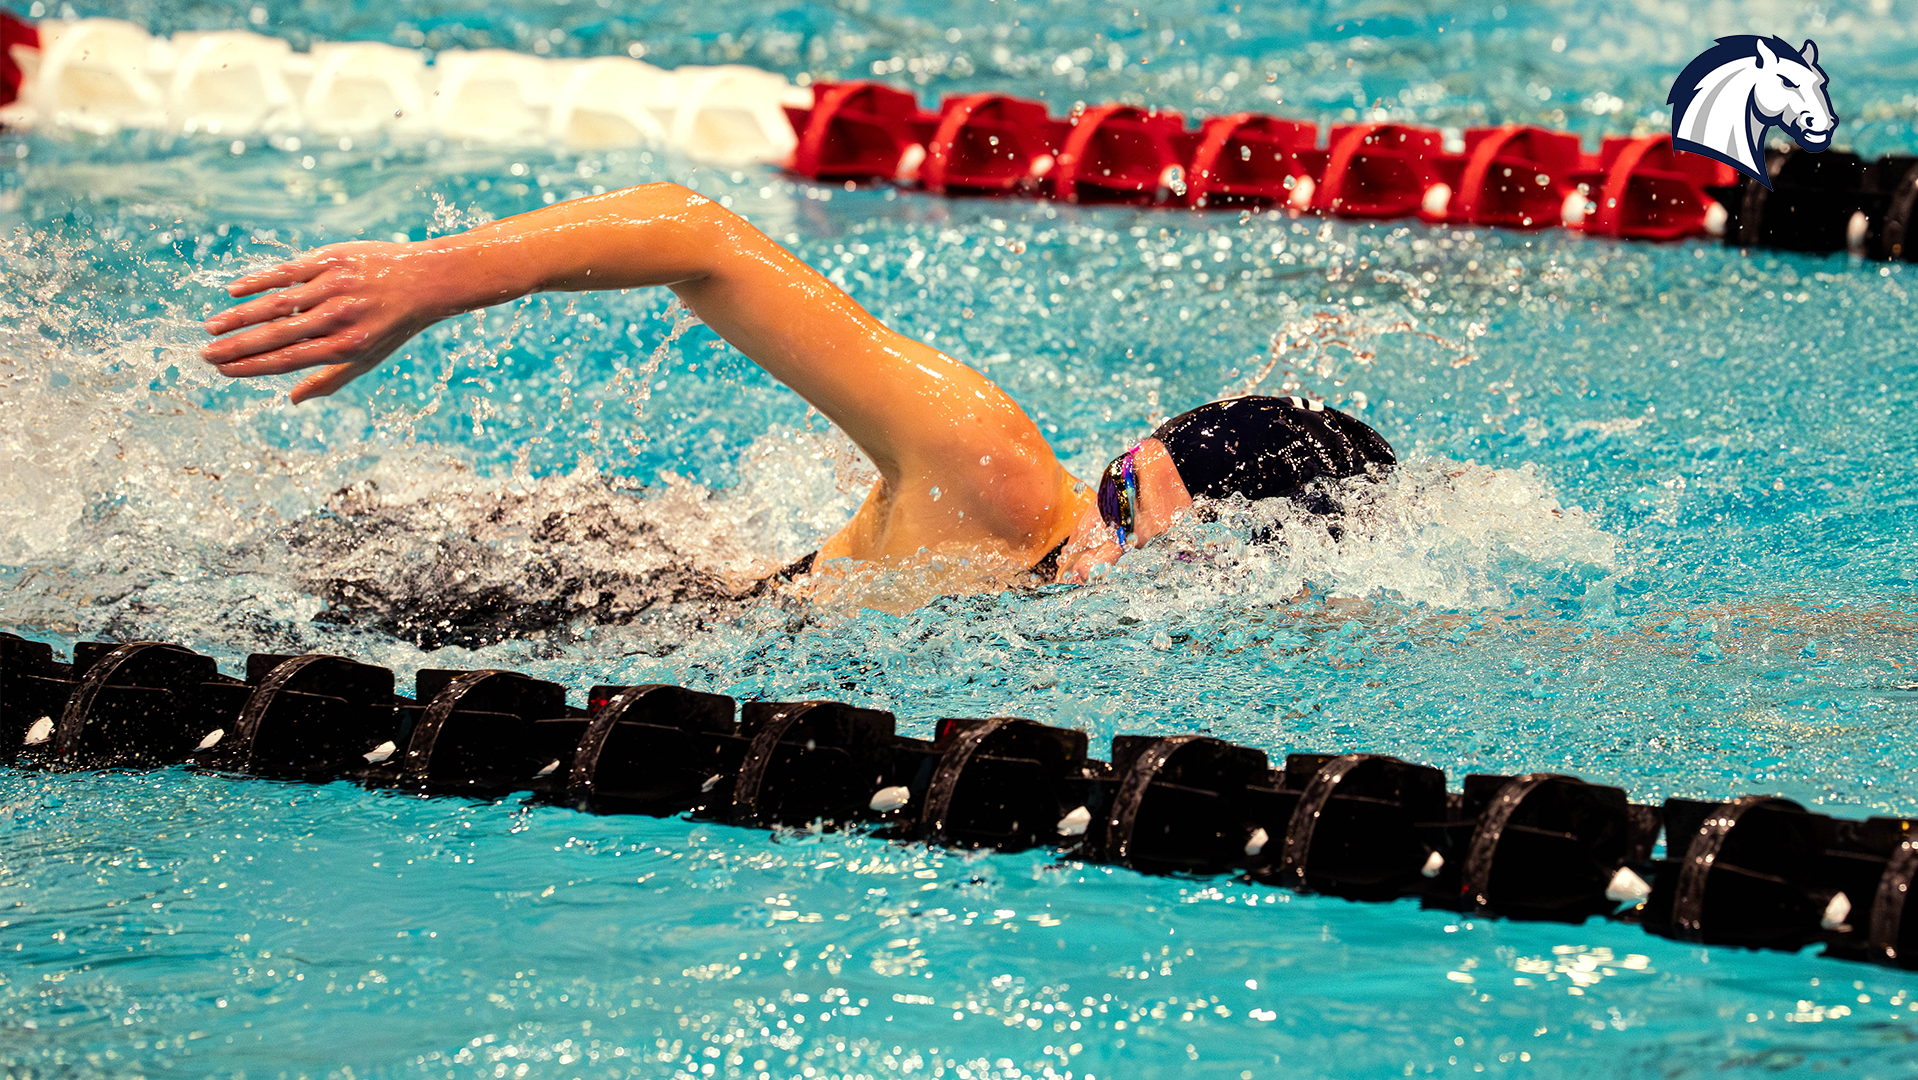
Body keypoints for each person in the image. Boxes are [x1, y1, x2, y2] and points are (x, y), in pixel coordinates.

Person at [200, 181, 1395, 597]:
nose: (1101, 546)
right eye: (1118, 497)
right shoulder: (992, 479)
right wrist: (431, 278)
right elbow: (699, 235)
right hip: (571, 589)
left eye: (1146, 536)